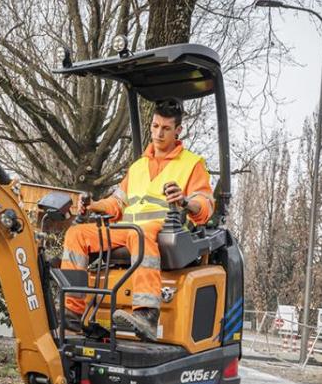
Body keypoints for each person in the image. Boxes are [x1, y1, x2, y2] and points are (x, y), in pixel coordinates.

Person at [61, 100, 215, 340]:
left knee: (139, 234)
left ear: (178, 131)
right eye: (155, 126)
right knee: (76, 235)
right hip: (128, 230)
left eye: (165, 128)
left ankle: (146, 315)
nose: (159, 133)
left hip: (164, 231)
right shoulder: (137, 167)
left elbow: (205, 205)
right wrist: (93, 205)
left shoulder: (192, 164)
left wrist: (184, 201)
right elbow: (117, 204)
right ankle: (71, 315)